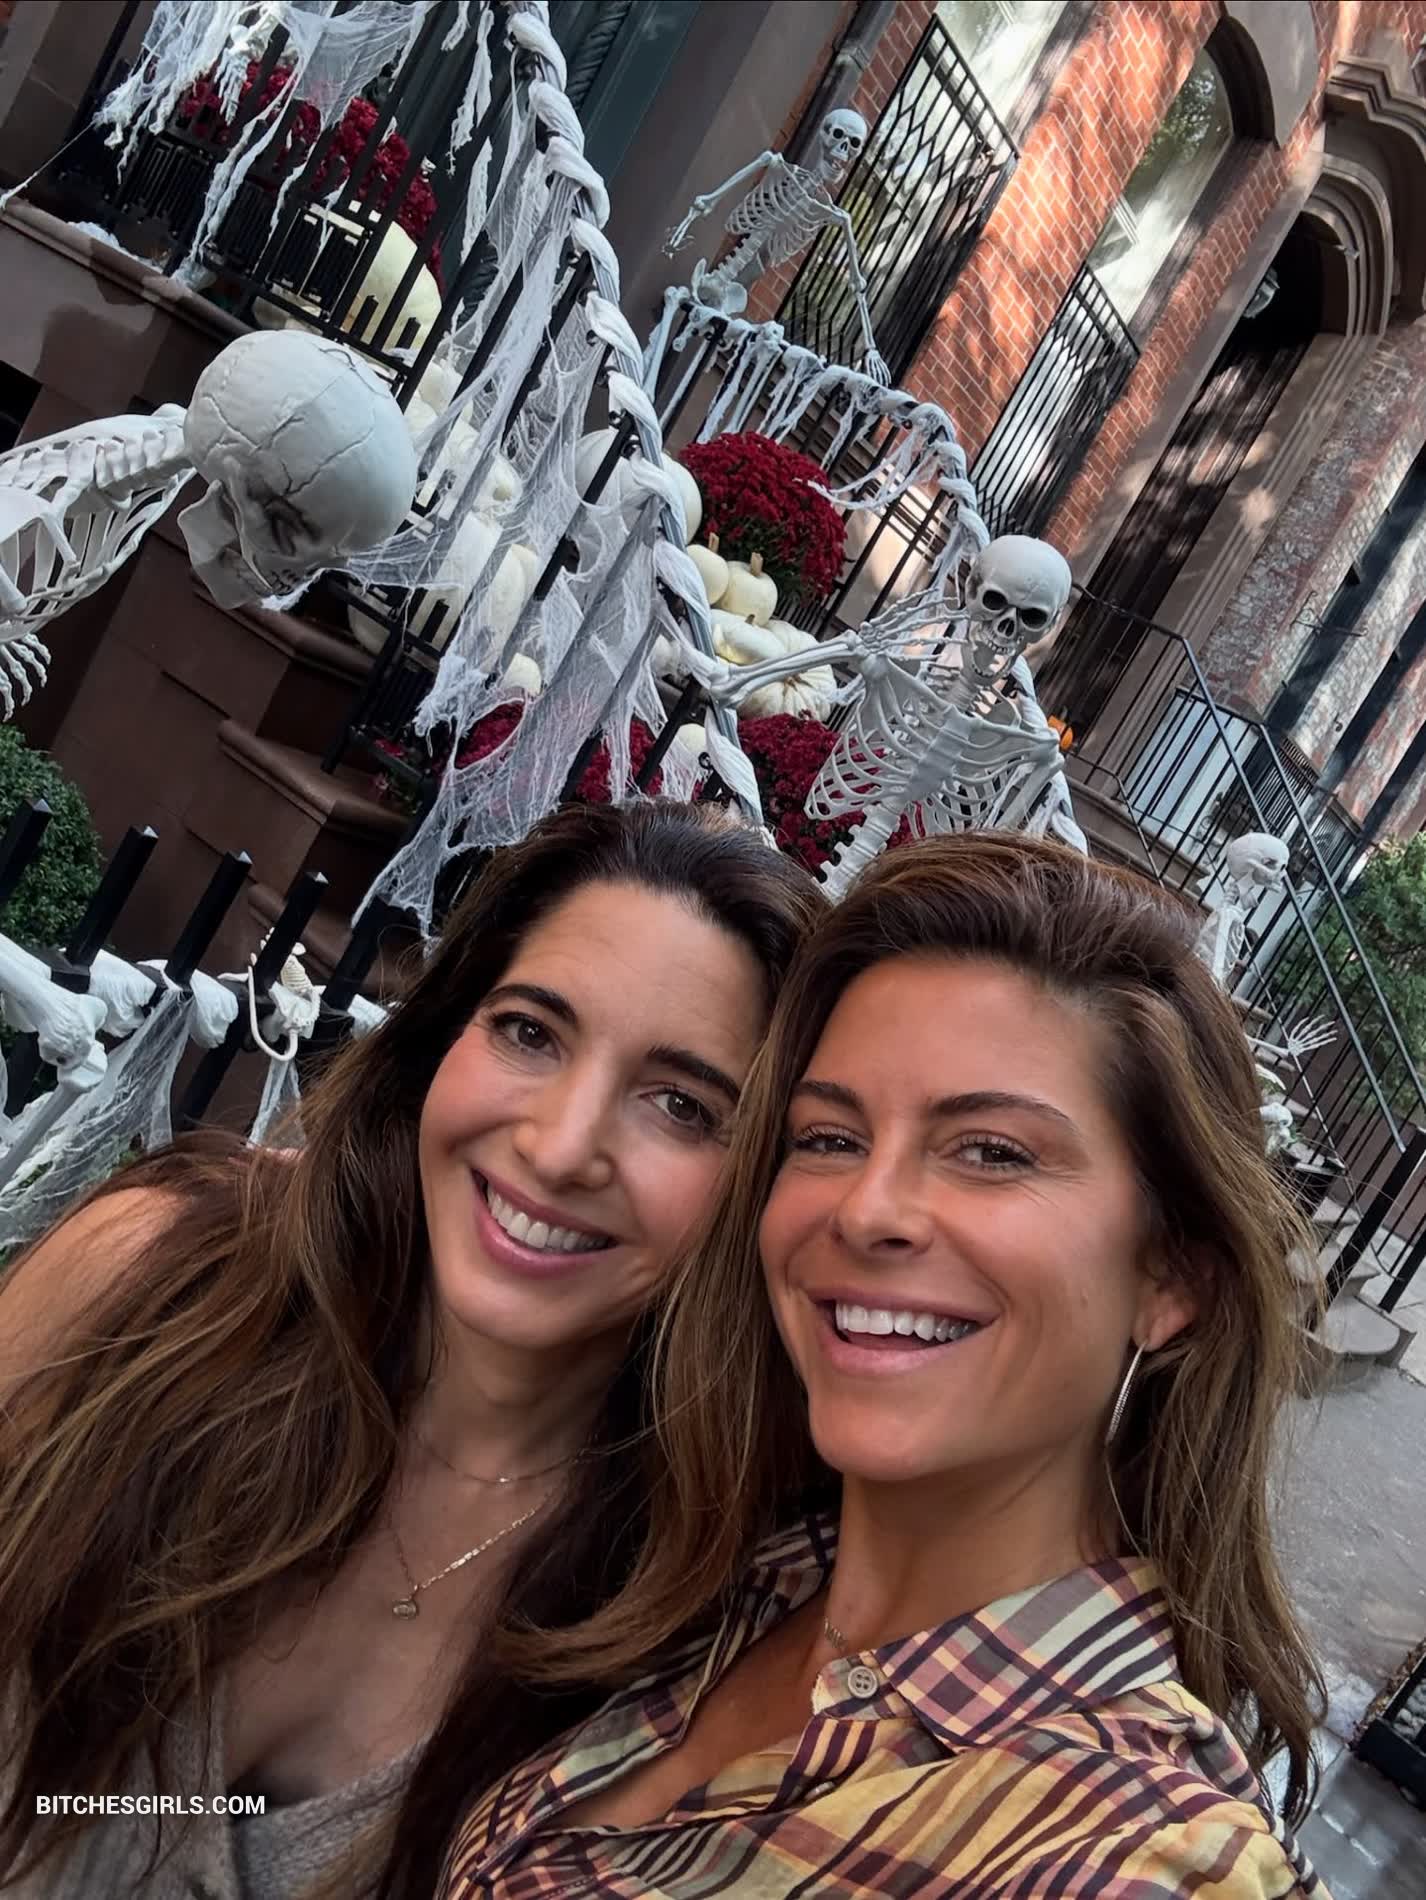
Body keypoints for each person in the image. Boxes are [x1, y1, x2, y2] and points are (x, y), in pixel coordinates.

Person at [437, 831, 1330, 1899]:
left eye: (991, 1151)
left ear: (1172, 1276)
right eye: (828, 1137)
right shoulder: (732, 1573)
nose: (866, 1211)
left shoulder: (1134, 1850)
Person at [0, 799, 823, 1900]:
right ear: (443, 1035)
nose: (560, 1148)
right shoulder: (156, 1282)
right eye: (529, 1031)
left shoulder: (690, 1616)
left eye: (681, 1104)